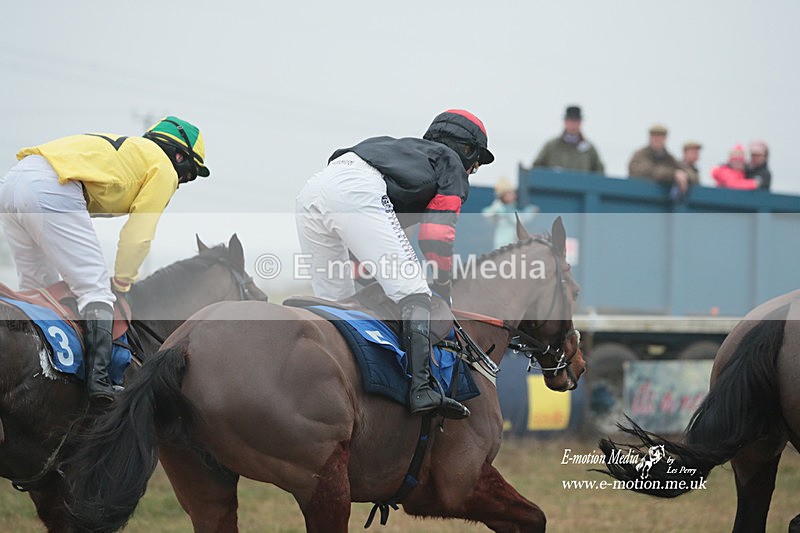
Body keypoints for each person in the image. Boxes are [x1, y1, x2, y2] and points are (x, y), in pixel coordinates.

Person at [295, 109, 494, 420]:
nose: (473, 169)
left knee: (336, 303)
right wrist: (440, 289)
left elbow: (370, 250)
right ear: (466, 150)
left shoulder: (400, 153)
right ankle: (422, 389)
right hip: (357, 192)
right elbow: (436, 235)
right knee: (414, 291)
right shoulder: (450, 164)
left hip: (313, 190)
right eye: (476, 162)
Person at [0, 116, 210, 404]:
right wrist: (122, 282)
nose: (184, 181)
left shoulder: (133, 153)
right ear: (179, 156)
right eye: (191, 173)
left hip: (13, 181)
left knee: (39, 294)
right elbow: (139, 234)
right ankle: (99, 385)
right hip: (50, 189)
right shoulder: (163, 168)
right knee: (96, 290)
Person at [533, 105, 605, 173]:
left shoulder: (589, 149)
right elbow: (536, 168)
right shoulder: (551, 146)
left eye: (576, 121)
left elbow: (599, 172)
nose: (573, 124)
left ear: (580, 122)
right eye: (570, 120)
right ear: (565, 121)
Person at [628, 124, 690, 196]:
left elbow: (688, 172)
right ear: (650, 138)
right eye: (655, 136)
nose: (657, 140)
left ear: (665, 139)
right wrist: (673, 175)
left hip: (664, 199)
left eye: (660, 137)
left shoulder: (669, 158)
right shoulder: (640, 155)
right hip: (640, 195)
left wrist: (684, 175)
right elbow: (643, 172)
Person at [481, 177, 538, 249]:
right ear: (504, 195)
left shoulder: (510, 208)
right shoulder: (502, 209)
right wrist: (530, 211)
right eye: (511, 193)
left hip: (512, 243)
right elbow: (520, 220)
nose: (514, 195)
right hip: (504, 244)